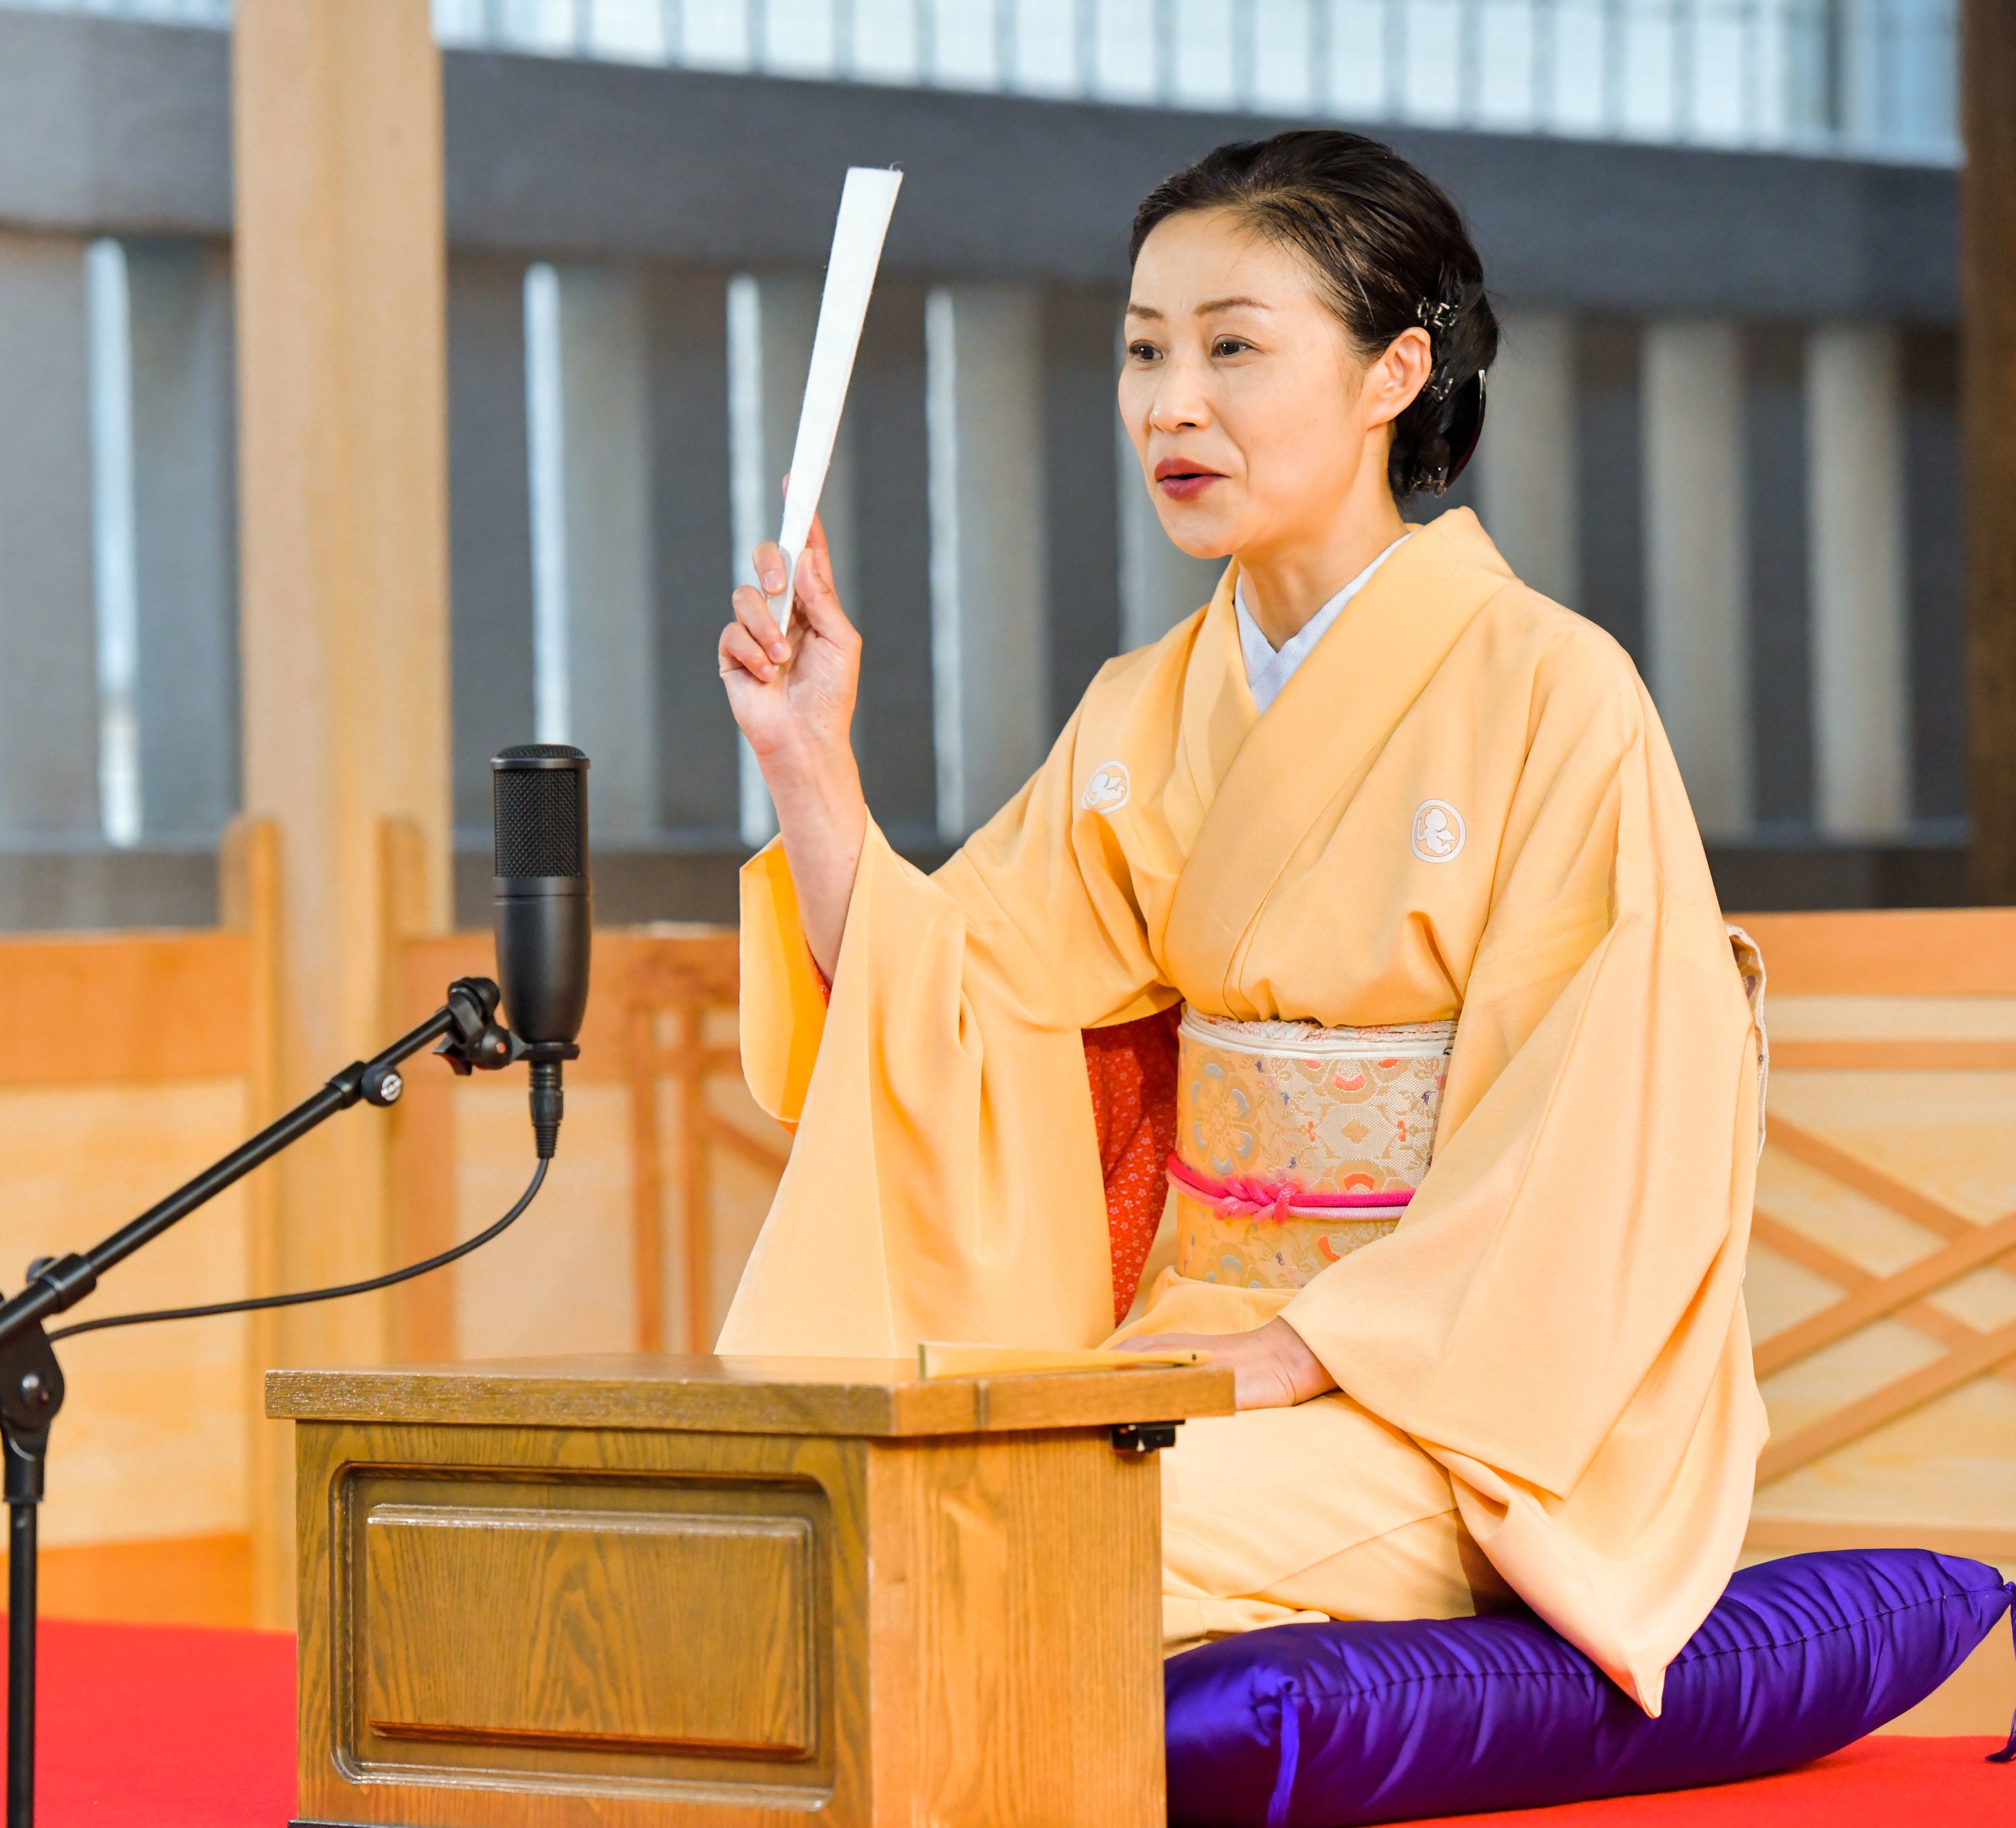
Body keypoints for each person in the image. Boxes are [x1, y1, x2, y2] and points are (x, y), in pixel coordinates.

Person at [712, 128, 1767, 1714]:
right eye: (1143, 351)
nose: (1170, 404)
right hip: (1187, 1347)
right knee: (874, 1509)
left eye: (1231, 348)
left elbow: (1604, 1119)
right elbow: (942, 1012)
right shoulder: (1145, 712)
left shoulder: (1554, 693)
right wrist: (809, 761)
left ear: (1390, 372)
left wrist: (1319, 1346)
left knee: (1037, 1535)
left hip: (1451, 1401)